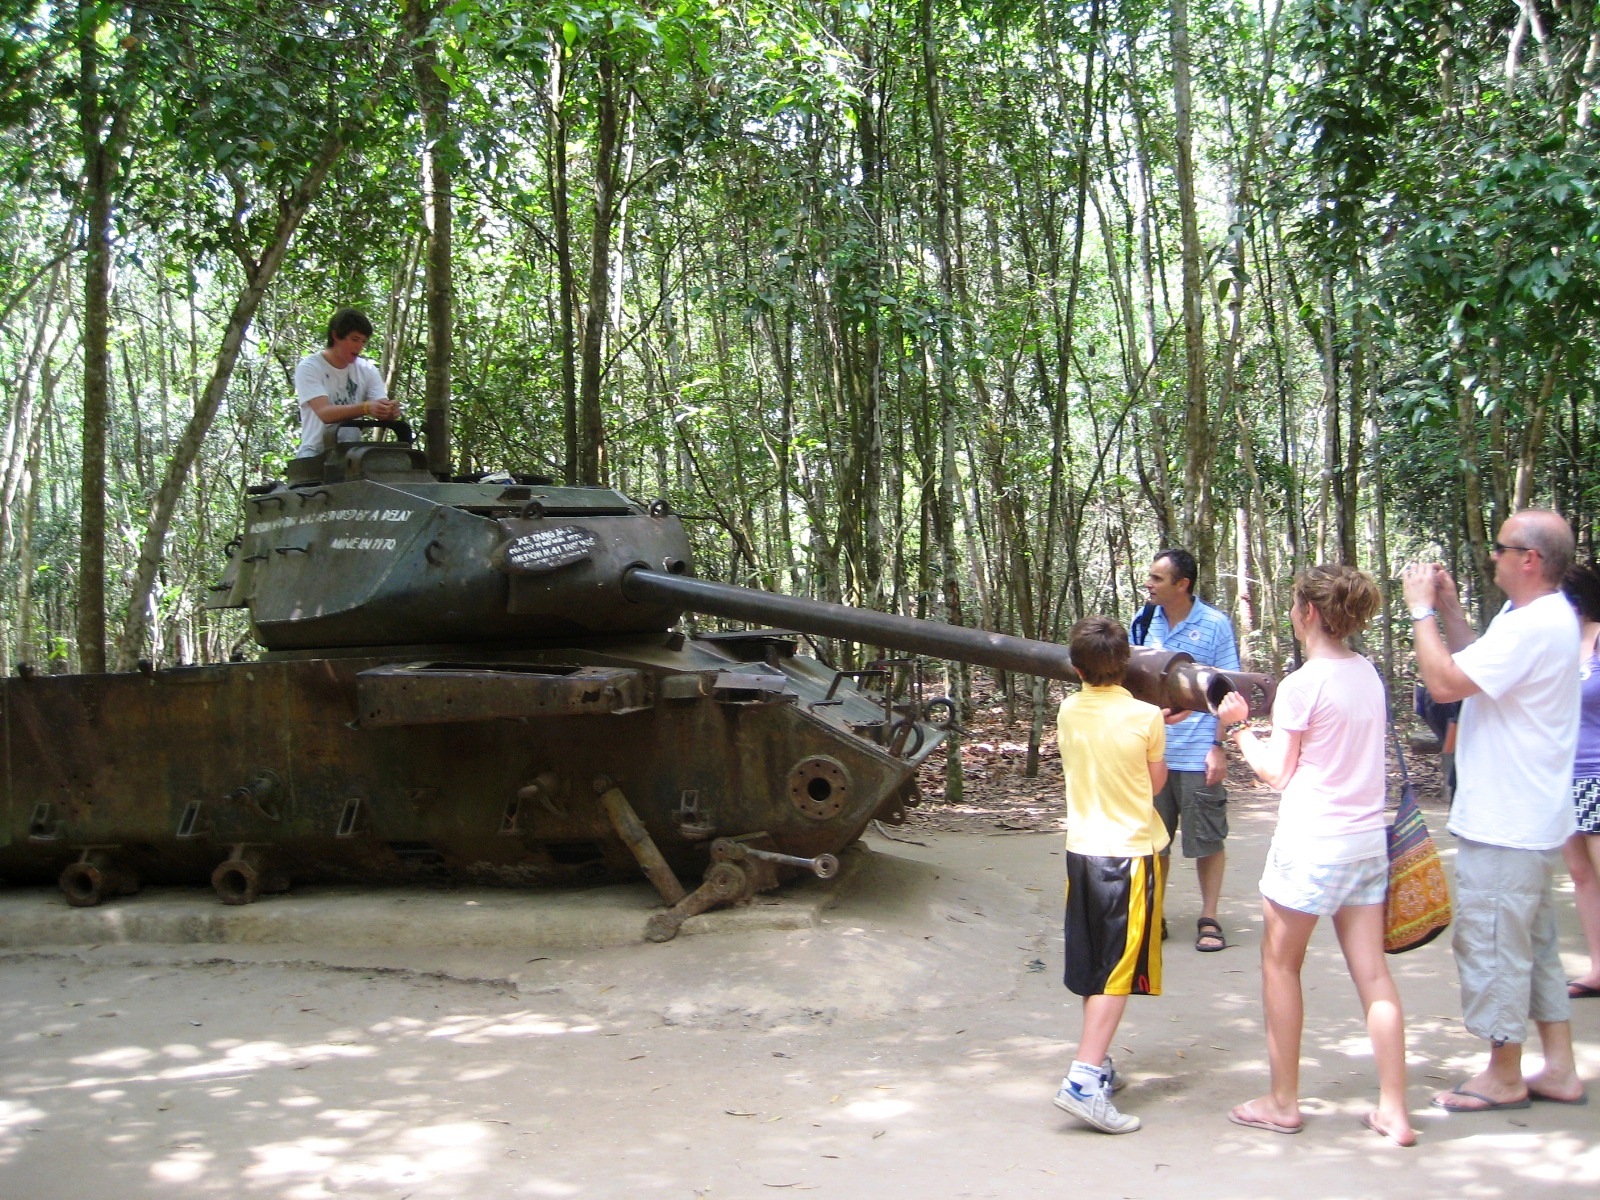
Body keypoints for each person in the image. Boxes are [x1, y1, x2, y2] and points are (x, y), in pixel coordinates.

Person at [1215, 565, 1415, 1147]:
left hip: (1309, 843)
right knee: (1373, 975)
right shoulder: (1368, 675)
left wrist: (1238, 729)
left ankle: (1282, 1102)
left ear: (1308, 612)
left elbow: (1278, 774)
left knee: (1280, 966)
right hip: (1363, 843)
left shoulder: (1304, 684)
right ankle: (1395, 1111)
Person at [1401, 509, 1587, 1110]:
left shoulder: (1535, 625)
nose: (1494, 559)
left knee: (1493, 945)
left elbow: (1446, 683)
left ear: (1529, 560)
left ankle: (1503, 1073)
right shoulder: (1537, 616)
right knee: (1533, 947)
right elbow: (1479, 662)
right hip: (1530, 815)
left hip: (1507, 820)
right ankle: (1558, 1066)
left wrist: (1421, 613)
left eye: (1501, 550)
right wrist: (1452, 614)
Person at [1052, 615, 1168, 1135]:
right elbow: (1155, 780)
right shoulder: (1147, 717)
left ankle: (1096, 1064)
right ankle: (1081, 1080)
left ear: (1076, 667)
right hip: (1129, 855)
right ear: (1127, 664)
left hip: (1083, 851)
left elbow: (1099, 737)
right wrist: (1157, 725)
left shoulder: (1067, 709)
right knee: (1119, 971)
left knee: (1096, 964)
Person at [1133, 548, 1240, 951]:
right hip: (1153, 751)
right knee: (1153, 839)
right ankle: (1153, 914)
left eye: (1158, 579)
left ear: (1183, 584)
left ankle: (1209, 918)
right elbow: (1130, 682)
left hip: (1197, 752)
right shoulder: (1143, 623)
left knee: (1207, 840)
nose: (1149, 584)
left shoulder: (1214, 625)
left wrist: (1218, 747)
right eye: (1150, 576)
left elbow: (1227, 689)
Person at [1559, 562, 1600, 999]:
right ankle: (1597, 967)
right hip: (1562, 776)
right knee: (1581, 873)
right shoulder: (1558, 645)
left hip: (1598, 772)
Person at [294, 307, 399, 458]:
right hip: (315, 452)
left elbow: (380, 405)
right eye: (355, 339)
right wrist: (366, 407)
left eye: (363, 341)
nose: (359, 346)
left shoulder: (366, 369)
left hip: (353, 453)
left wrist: (388, 411)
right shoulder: (310, 368)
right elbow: (324, 413)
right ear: (336, 336)